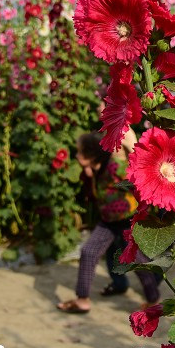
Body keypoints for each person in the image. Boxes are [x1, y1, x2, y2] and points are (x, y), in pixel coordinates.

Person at [57, 132, 159, 313]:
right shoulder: (96, 167)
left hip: (127, 220)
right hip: (108, 220)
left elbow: (137, 178)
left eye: (81, 152)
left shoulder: (114, 168)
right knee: (89, 251)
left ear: (93, 155)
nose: (77, 155)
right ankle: (82, 300)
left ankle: (153, 300)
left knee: (137, 259)